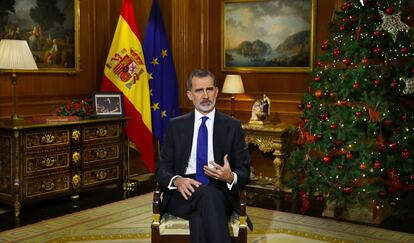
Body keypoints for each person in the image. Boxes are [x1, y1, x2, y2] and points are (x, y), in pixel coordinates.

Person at [155, 69, 251, 243]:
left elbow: (244, 171)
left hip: (220, 190)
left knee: (201, 217)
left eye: (209, 89)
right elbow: (162, 168)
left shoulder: (232, 126)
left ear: (216, 91)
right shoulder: (176, 126)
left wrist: (230, 177)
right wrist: (177, 180)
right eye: (199, 90)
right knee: (207, 199)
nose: (205, 95)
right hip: (183, 192)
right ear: (190, 95)